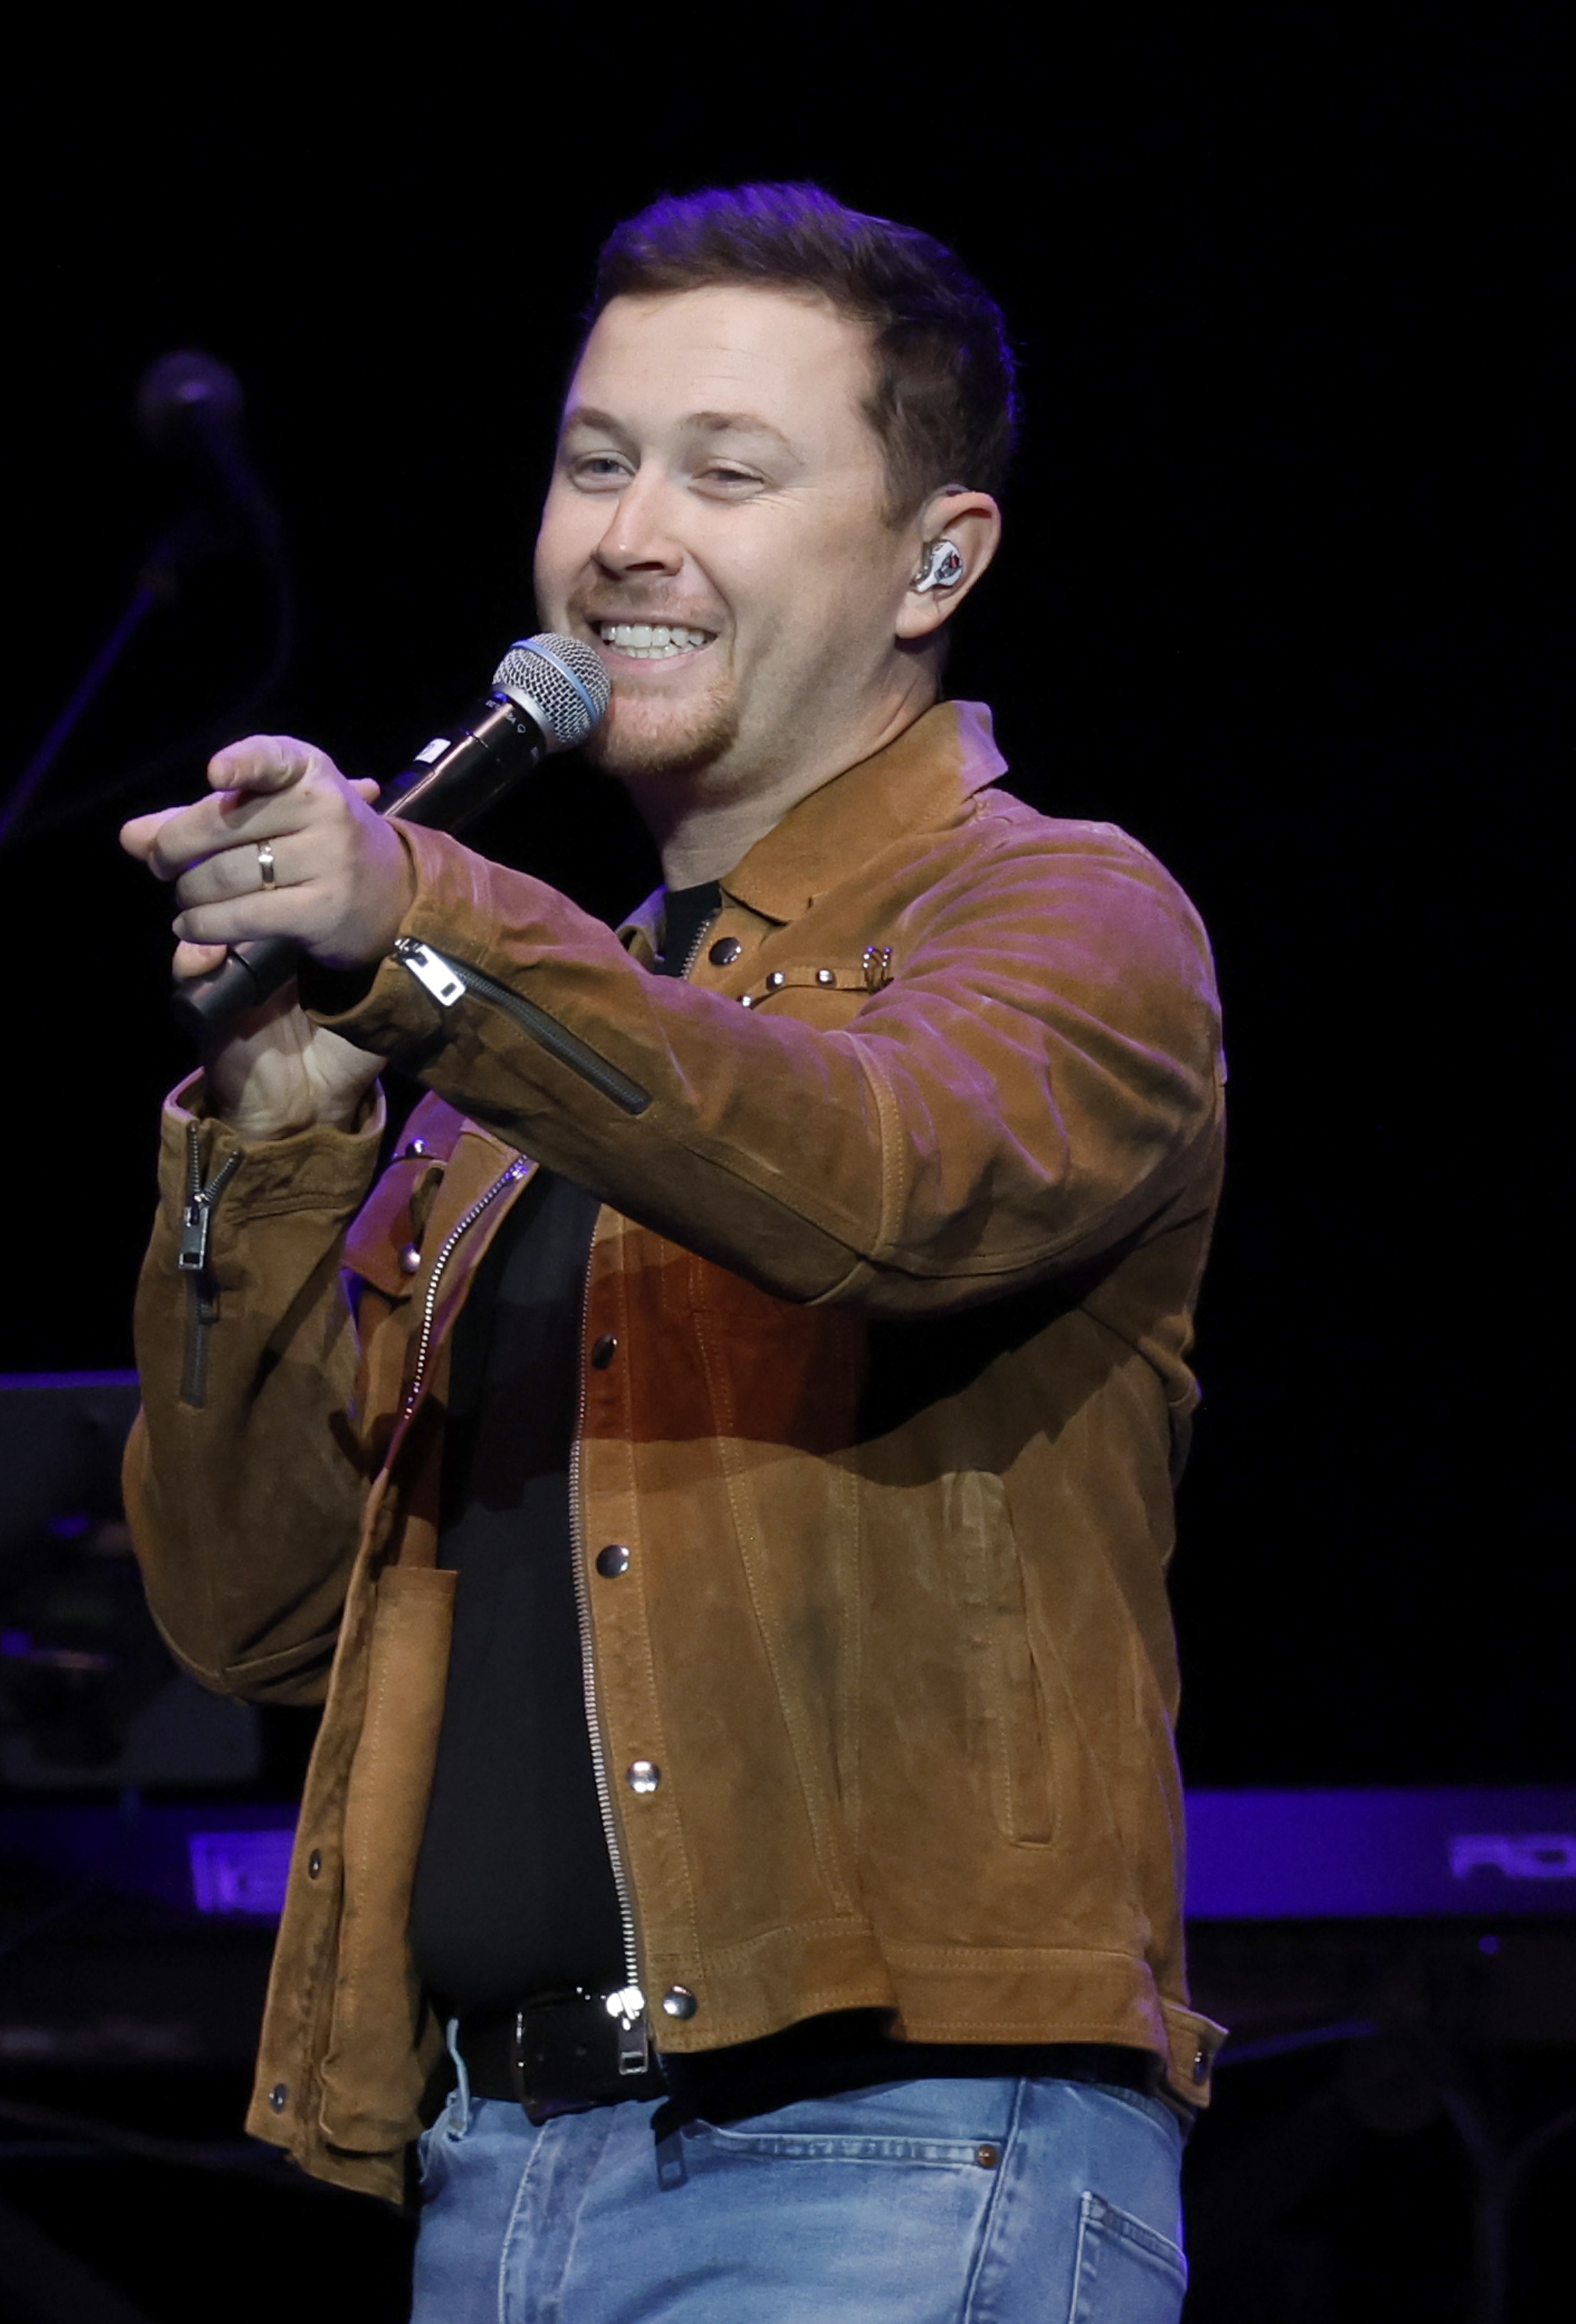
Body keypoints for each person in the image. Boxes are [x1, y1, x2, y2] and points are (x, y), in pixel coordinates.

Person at [117, 182, 1224, 2321]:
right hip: (500, 2174)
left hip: (895, 2145)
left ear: (937, 561)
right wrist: (264, 1146)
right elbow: (254, 1618)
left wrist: (427, 930)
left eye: (729, 472)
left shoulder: (1063, 917)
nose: (630, 531)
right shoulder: (514, 1057)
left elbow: (878, 1186)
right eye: (596, 460)